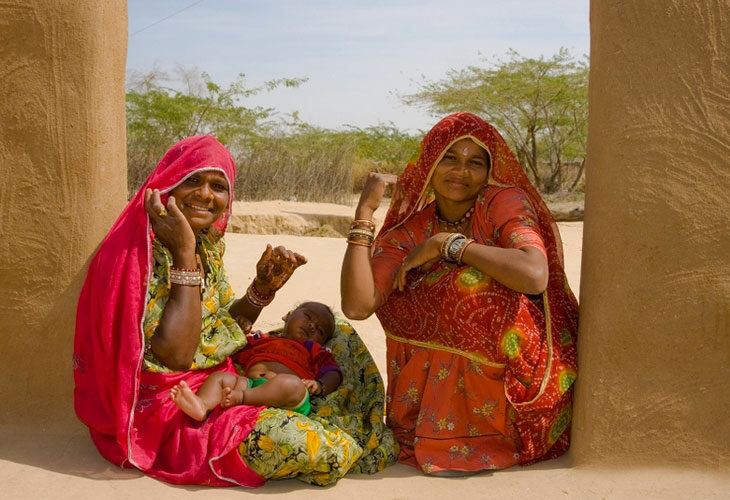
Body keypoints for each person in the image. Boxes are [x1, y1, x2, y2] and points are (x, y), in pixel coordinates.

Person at [74, 135, 363, 487]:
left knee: (341, 338)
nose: (205, 195)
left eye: (218, 185)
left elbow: (219, 327)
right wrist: (183, 254)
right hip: (173, 401)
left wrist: (262, 289)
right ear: (166, 186)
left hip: (221, 375)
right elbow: (178, 357)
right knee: (315, 447)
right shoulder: (140, 254)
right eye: (191, 180)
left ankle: (265, 401)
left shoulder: (208, 242)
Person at [340, 112, 579, 475]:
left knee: (468, 286)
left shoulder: (501, 203)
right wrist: (365, 213)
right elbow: (358, 306)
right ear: (431, 164)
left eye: (475, 162)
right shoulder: (412, 230)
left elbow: (533, 275)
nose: (460, 171)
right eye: (449, 158)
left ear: (489, 172)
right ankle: (434, 426)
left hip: (524, 385)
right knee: (413, 294)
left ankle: (488, 433)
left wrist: (450, 245)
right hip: (419, 425)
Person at [170, 301, 342, 420]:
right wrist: (240, 330)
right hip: (252, 385)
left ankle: (242, 398)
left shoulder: (313, 349)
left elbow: (333, 372)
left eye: (320, 330)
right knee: (219, 378)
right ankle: (202, 406)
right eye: (308, 316)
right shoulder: (261, 338)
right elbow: (234, 348)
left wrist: (320, 385)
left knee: (290, 383)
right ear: (288, 315)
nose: (312, 326)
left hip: (288, 398)